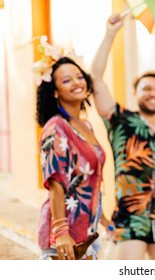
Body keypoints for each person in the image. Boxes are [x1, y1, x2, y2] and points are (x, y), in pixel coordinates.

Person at [90, 13, 155, 260]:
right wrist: (110, 34)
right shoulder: (119, 120)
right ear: (136, 92)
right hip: (129, 218)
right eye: (146, 88)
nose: (152, 93)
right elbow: (95, 80)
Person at [34, 36, 113, 260]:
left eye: (79, 77)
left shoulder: (85, 125)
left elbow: (90, 180)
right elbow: (56, 183)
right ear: (55, 91)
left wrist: (104, 220)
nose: (77, 82)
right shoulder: (56, 128)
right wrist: (60, 232)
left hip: (87, 232)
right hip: (65, 236)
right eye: (67, 80)